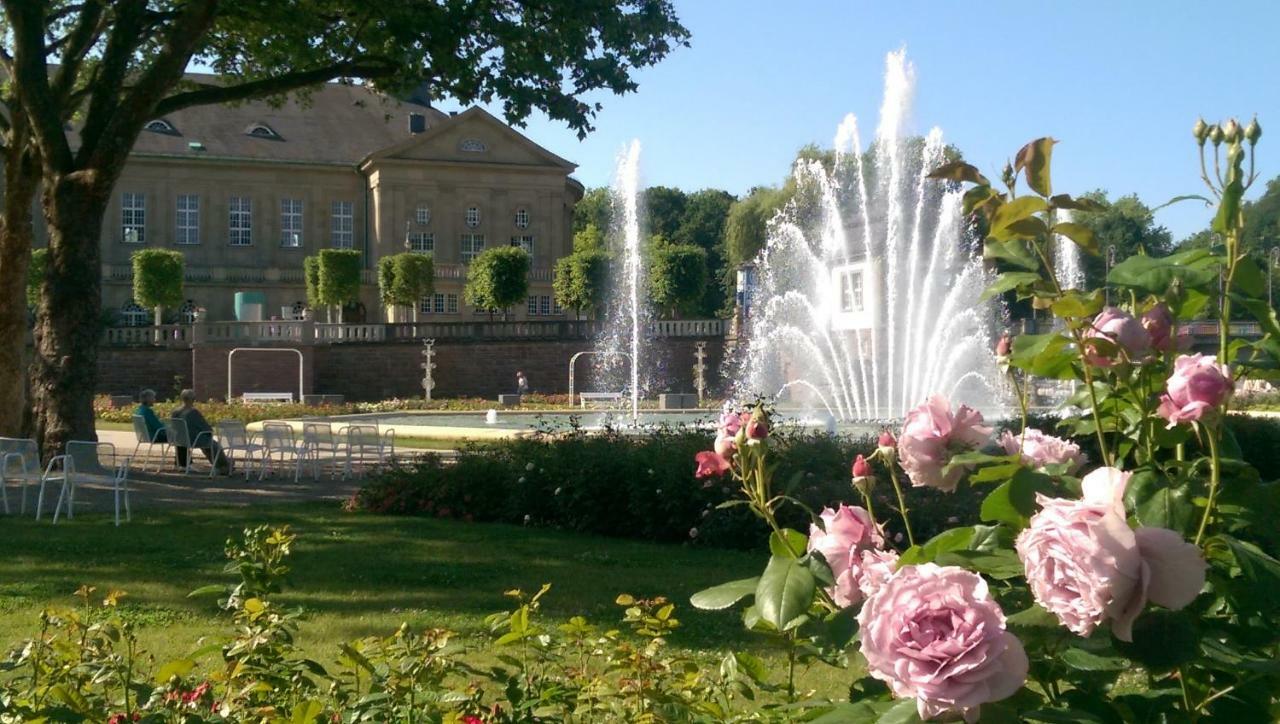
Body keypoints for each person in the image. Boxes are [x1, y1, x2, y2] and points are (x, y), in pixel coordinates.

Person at [170, 389, 231, 474]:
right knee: (213, 444)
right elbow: (206, 428)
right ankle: (223, 466)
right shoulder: (193, 412)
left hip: (179, 439)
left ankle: (222, 464)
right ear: (192, 399)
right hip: (193, 439)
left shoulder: (175, 412)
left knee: (208, 441)